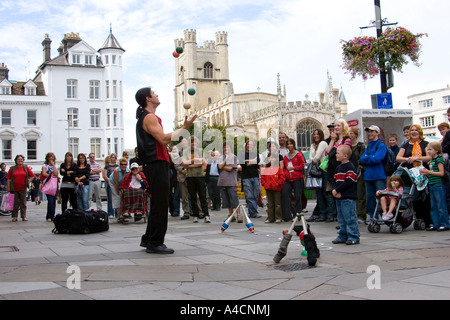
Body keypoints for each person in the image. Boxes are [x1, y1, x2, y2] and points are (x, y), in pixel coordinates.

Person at [135, 87, 196, 254]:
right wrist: (184, 127)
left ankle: (149, 239)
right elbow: (162, 139)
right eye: (154, 93)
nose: (157, 95)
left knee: (158, 203)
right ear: (148, 99)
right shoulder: (149, 117)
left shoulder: (147, 117)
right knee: (161, 204)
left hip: (156, 163)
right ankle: (155, 242)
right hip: (155, 164)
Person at [396, 124, 432, 227]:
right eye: (412, 130)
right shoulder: (406, 144)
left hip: (421, 173)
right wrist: (408, 159)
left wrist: (417, 158)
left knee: (423, 197)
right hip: (408, 173)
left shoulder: (425, 144)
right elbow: (398, 158)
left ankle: (427, 220)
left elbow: (429, 157)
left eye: (416, 130)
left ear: (420, 132)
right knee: (411, 195)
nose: (414, 132)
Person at [331, 145, 359, 245]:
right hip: (339, 197)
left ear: (345, 156)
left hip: (348, 197)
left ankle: (353, 236)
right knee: (341, 218)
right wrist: (334, 190)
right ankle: (342, 235)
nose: (336, 155)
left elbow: (349, 181)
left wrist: (338, 190)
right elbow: (334, 180)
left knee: (350, 217)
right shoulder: (338, 167)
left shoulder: (350, 167)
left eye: (338, 153)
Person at [325, 119, 352, 222]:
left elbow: (346, 153)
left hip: (343, 170)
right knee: (335, 194)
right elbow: (327, 153)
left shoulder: (346, 140)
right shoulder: (334, 140)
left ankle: (346, 220)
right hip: (333, 170)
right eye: (335, 126)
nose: (336, 128)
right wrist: (332, 140)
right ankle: (340, 220)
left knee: (343, 194)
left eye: (338, 126)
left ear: (343, 127)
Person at [420, 142, 450, 231]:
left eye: (430, 149)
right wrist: (426, 172)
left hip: (438, 185)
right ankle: (436, 223)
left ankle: (444, 223)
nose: (428, 151)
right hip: (432, 184)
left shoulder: (439, 160)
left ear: (436, 151)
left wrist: (429, 172)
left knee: (441, 205)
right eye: (427, 149)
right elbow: (432, 173)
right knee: (433, 206)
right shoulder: (431, 161)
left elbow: (441, 173)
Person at [360, 125, 387, 222]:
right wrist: (370, 157)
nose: (370, 133)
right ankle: (373, 217)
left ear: (377, 133)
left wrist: (368, 157)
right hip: (368, 176)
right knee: (370, 197)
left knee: (382, 197)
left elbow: (378, 158)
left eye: (372, 131)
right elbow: (362, 159)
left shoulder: (381, 145)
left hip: (378, 175)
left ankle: (384, 215)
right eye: (369, 132)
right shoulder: (369, 145)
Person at [182, 136, 210, 223]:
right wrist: (194, 161)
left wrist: (190, 163)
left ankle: (206, 215)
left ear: (197, 143)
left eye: (195, 142)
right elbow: (183, 163)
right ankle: (195, 215)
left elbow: (202, 162)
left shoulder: (200, 150)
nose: (193, 144)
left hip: (200, 175)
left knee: (202, 196)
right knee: (193, 196)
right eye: (191, 142)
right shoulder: (185, 151)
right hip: (190, 176)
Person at [307, 129, 328, 222]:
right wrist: (314, 160)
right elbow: (311, 157)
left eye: (317, 134)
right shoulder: (313, 145)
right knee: (318, 193)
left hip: (323, 170)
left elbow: (317, 156)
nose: (316, 136)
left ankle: (326, 213)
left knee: (324, 192)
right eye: (314, 134)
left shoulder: (323, 143)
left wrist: (314, 160)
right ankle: (322, 213)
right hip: (316, 170)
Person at [261, 141, 285, 223]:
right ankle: (271, 218)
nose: (272, 159)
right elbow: (262, 177)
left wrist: (279, 183)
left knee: (277, 204)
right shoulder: (266, 169)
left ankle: (278, 217)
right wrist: (264, 184)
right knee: (270, 204)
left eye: (273, 158)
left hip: (276, 188)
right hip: (268, 188)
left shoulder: (278, 168)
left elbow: (282, 177)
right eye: (270, 158)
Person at [281, 138, 305, 221]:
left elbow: (302, 165)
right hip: (288, 179)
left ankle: (297, 215)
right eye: (288, 144)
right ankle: (287, 216)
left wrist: (294, 168)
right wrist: (285, 173)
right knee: (285, 195)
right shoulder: (286, 156)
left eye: (291, 144)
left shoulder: (298, 155)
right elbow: (284, 167)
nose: (289, 146)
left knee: (298, 196)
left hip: (297, 178)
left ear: (294, 145)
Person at [6, 155, 35, 221]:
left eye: (21, 159)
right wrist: (8, 187)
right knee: (15, 203)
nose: (20, 161)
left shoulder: (25, 167)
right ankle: (14, 216)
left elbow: (32, 176)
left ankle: (23, 216)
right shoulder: (12, 168)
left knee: (23, 202)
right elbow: (8, 178)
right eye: (18, 159)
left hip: (23, 187)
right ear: (16, 160)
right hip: (14, 188)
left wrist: (28, 181)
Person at [218, 141, 241, 222]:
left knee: (234, 199)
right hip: (223, 181)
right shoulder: (221, 157)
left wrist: (223, 165)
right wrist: (225, 161)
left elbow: (230, 168)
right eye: (224, 147)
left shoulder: (233, 157)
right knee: (226, 200)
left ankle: (238, 215)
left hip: (231, 181)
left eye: (227, 147)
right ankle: (231, 215)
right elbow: (219, 166)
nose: (225, 148)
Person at [349, 127, 367, 223]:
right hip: (350, 172)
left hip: (359, 172)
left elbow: (362, 159)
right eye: (349, 133)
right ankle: (354, 214)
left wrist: (355, 164)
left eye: (352, 133)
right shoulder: (347, 146)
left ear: (356, 135)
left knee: (360, 194)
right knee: (352, 195)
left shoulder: (360, 146)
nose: (350, 135)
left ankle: (361, 215)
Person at [240, 140, 261, 218]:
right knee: (249, 196)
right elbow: (243, 163)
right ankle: (254, 213)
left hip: (255, 176)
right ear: (246, 146)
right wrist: (252, 161)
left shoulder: (256, 154)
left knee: (255, 195)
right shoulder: (242, 154)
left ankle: (251, 211)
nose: (249, 146)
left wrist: (248, 162)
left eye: (251, 145)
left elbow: (257, 161)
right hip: (246, 177)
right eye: (248, 145)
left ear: (253, 146)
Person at [173, 138, 191, 220]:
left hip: (191, 175)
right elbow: (176, 165)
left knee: (194, 195)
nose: (184, 143)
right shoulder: (178, 154)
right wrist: (183, 170)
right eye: (182, 142)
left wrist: (188, 169)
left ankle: (195, 211)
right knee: (184, 197)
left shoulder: (192, 152)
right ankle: (186, 212)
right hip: (182, 176)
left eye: (185, 141)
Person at [41, 152, 59, 221]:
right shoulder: (45, 165)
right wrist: (51, 176)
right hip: (48, 184)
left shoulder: (56, 165)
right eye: (49, 157)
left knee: (54, 200)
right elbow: (44, 173)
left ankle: (52, 215)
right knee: (50, 200)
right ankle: (49, 216)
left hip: (54, 185)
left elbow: (56, 173)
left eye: (52, 157)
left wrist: (53, 165)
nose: (51, 158)